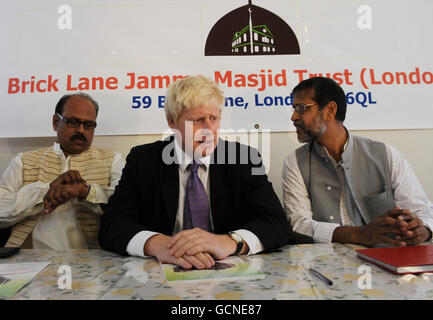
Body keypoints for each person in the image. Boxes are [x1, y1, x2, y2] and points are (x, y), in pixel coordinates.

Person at [99, 75, 295, 270]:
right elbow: (112, 225)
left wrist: (229, 242)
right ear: (172, 122)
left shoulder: (244, 159)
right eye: (198, 120)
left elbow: (276, 223)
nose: (209, 130)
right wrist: (158, 244)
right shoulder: (143, 160)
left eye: (214, 119)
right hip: (161, 276)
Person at [282, 77, 433, 247]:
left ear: (330, 110)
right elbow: (299, 224)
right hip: (327, 263)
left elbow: (423, 211)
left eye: (302, 108)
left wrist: (423, 229)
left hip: (387, 259)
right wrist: (358, 234)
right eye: (294, 108)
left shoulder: (385, 154)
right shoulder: (295, 162)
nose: (294, 117)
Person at [0, 93, 124, 249]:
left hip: (93, 262)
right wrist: (46, 191)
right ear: (55, 122)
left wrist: (84, 192)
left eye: (88, 125)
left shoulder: (112, 159)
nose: (81, 130)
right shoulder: (24, 161)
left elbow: (122, 207)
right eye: (73, 122)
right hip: (30, 261)